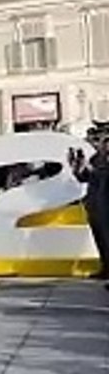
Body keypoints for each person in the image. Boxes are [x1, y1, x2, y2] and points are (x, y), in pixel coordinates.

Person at [72, 123, 109, 286]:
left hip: (106, 204)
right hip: (95, 204)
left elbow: (101, 175)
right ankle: (105, 268)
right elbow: (84, 178)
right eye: (99, 140)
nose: (101, 143)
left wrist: (92, 170)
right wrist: (78, 167)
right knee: (101, 239)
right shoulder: (95, 158)